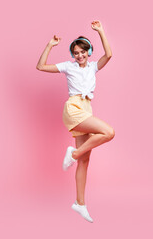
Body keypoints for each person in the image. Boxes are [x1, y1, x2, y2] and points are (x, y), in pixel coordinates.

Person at [36, 20, 114, 223]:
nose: (79, 55)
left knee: (85, 162)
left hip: (87, 108)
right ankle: (74, 153)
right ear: (73, 55)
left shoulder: (93, 67)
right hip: (74, 108)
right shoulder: (68, 67)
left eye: (83, 52)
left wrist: (100, 31)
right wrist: (50, 46)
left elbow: (109, 55)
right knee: (108, 132)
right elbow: (40, 66)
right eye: (76, 53)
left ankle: (80, 204)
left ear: (89, 52)